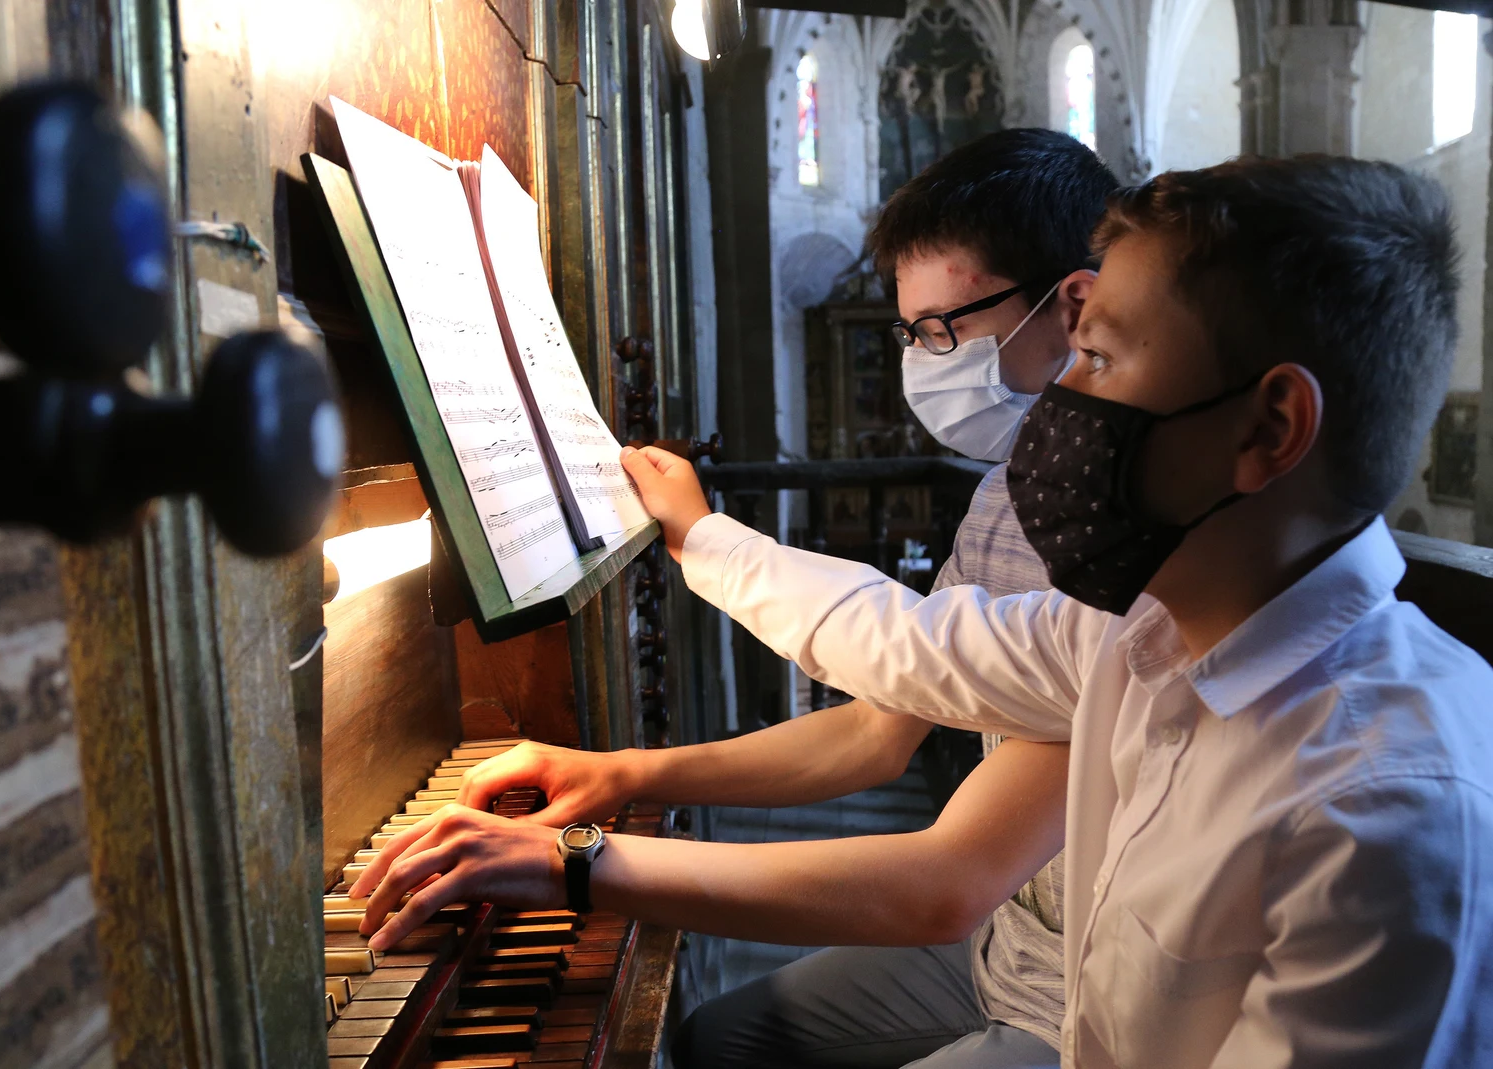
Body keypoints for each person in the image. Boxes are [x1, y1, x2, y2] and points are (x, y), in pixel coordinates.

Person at [613, 156, 1493, 1066]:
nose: (1059, 408)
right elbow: (909, 645)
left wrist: (585, 865)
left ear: (1269, 427)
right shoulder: (1145, 635)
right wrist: (701, 536)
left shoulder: (1400, 827)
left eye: (1098, 359)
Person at [351, 128, 1116, 1069]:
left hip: (1089, 999)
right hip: (1013, 936)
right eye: (909, 333)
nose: (923, 358)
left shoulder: (1126, 533)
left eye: (941, 331)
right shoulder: (1009, 489)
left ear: (1073, 305)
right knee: (719, 1041)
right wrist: (628, 774)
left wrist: (582, 864)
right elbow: (878, 728)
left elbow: (945, 878)